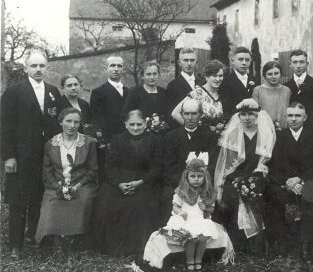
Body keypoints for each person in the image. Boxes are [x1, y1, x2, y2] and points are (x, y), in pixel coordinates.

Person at [1, 50, 62, 258]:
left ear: (47, 68)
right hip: (21, 156)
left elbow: (57, 124)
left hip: (44, 157)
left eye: (42, 66)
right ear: (26, 68)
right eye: (34, 66)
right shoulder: (14, 91)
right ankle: (16, 245)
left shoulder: (53, 92)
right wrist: (9, 156)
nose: (38, 69)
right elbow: (5, 126)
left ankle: (35, 237)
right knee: (18, 200)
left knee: (39, 198)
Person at [143, 157, 234, 270]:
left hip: (200, 220)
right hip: (186, 219)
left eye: (199, 176)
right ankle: (190, 260)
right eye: (193, 176)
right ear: (187, 177)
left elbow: (211, 210)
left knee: (203, 237)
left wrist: (205, 208)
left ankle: (198, 260)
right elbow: (175, 207)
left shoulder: (207, 193)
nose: (196, 179)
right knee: (191, 238)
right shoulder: (181, 191)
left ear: (205, 177)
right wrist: (181, 212)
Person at [93, 110, 162, 257]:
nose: (135, 128)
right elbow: (110, 166)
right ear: (125, 124)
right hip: (119, 180)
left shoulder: (154, 140)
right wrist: (119, 184)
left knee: (140, 204)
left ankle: (137, 248)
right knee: (108, 201)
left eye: (139, 124)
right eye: (132, 124)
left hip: (145, 181)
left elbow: (157, 167)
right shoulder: (117, 139)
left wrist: (140, 182)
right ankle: (114, 247)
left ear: (145, 124)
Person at [214, 99, 276, 252]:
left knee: (263, 199)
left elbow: (270, 161)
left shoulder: (266, 133)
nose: (247, 118)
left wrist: (259, 174)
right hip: (234, 177)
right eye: (243, 114)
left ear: (257, 115)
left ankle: (258, 244)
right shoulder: (233, 134)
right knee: (231, 199)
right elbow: (225, 164)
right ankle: (237, 244)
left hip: (258, 176)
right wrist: (236, 181)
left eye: (251, 114)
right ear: (239, 116)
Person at [266, 103, 313, 259]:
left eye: (297, 116)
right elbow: (273, 165)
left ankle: (306, 242)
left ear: (304, 118)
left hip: (306, 181)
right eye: (290, 115)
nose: (293, 119)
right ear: (286, 117)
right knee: (272, 196)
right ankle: (282, 241)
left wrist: (301, 180)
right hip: (284, 182)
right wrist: (288, 182)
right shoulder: (277, 137)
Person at [35, 108, 98, 249]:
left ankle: (75, 240)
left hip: (82, 185)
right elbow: (47, 172)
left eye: (76, 122)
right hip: (56, 185)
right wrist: (59, 188)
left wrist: (76, 187)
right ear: (61, 122)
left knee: (82, 201)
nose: (72, 125)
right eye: (68, 121)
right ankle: (56, 241)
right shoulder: (51, 144)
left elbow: (92, 171)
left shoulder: (88, 143)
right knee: (52, 205)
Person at [161, 98, 217, 226]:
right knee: (167, 197)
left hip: (202, 182)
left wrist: (200, 183)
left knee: (209, 199)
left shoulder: (209, 136)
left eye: (194, 113)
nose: (190, 118)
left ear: (200, 115)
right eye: (186, 114)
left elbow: (213, 164)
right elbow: (168, 166)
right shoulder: (171, 136)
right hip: (178, 182)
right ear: (181, 115)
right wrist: (184, 184)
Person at [90, 56, 129, 177]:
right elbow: (97, 120)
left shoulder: (129, 91)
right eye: (112, 65)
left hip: (129, 140)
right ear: (105, 68)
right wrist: (106, 142)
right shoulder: (98, 92)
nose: (116, 69)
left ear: (123, 69)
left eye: (119, 66)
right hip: (110, 143)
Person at [171, 59, 226, 126]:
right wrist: (191, 129)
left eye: (220, 76)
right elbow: (175, 113)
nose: (218, 79)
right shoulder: (198, 93)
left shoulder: (221, 94)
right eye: (214, 76)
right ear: (206, 77)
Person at [283, 50, 313, 131]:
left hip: (311, 130)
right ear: (290, 65)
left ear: (307, 64)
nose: (298, 66)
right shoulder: (285, 87)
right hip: (291, 130)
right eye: (295, 62)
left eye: (302, 62)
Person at [166, 48, 204, 127]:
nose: (189, 63)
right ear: (179, 63)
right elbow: (171, 114)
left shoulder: (202, 83)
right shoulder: (172, 85)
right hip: (181, 130)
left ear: (196, 62)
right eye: (186, 60)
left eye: (192, 60)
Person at [252, 61, 291, 129]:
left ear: (281, 74)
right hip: (265, 129)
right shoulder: (258, 90)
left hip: (284, 128)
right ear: (264, 76)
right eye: (270, 74)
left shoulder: (287, 90)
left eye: (276, 73)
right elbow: (254, 113)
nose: (273, 77)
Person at [220, 47, 256, 116]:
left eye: (247, 60)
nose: (244, 63)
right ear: (233, 61)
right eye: (240, 59)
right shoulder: (226, 81)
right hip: (233, 120)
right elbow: (226, 108)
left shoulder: (254, 80)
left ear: (250, 61)